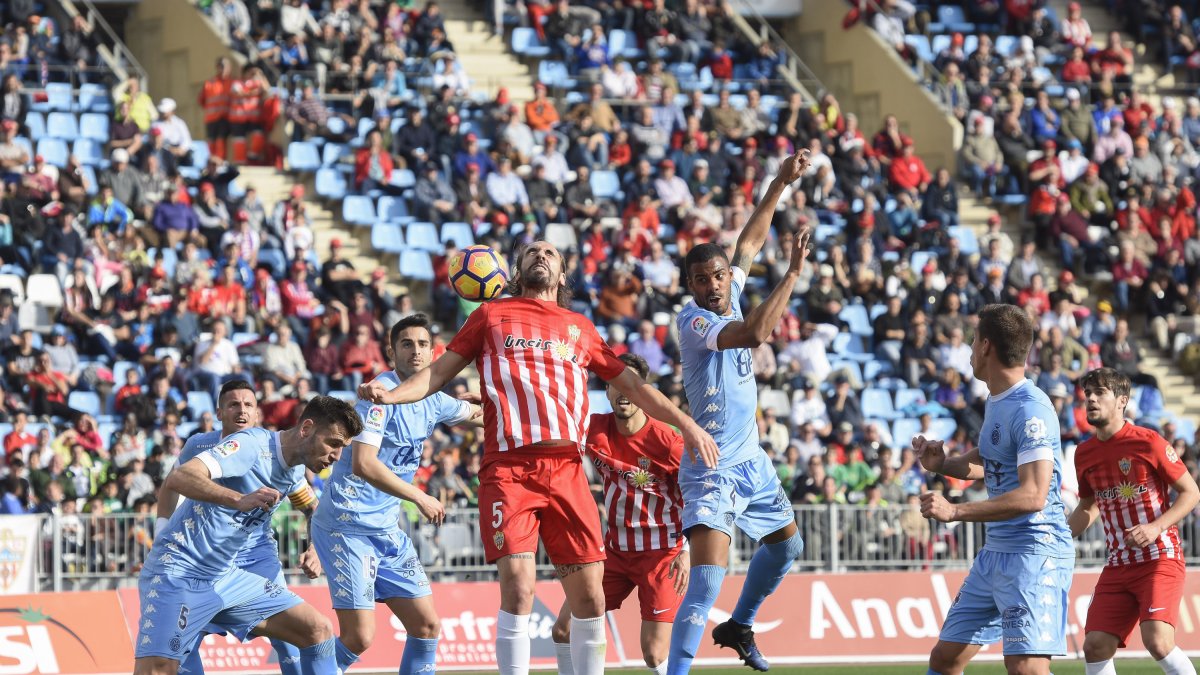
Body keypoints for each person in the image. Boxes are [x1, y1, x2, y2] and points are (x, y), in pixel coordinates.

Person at [359, 239, 719, 675]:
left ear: (563, 274)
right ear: (516, 269)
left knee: (590, 597)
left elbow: (638, 388)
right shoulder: (489, 316)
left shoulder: (580, 327)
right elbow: (435, 374)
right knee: (519, 588)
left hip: (567, 469)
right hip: (509, 469)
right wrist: (391, 394)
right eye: (531, 252)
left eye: (550, 253)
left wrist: (688, 425)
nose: (540, 256)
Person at [667, 150, 813, 674]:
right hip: (710, 467)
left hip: (751, 458)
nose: (713, 286)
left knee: (786, 548)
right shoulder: (695, 323)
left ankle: (741, 624)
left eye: (718, 277)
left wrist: (779, 180)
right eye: (702, 280)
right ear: (690, 286)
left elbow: (749, 241)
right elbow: (753, 334)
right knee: (706, 584)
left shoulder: (729, 291)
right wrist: (793, 274)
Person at [133, 395, 362, 675]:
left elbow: (314, 510)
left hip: (225, 577)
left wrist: (314, 546)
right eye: (334, 443)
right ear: (306, 429)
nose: (337, 456)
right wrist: (237, 499)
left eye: (343, 448)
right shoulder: (250, 445)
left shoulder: (294, 471)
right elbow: (179, 478)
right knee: (157, 670)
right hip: (178, 573)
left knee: (317, 629)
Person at [312, 314, 479, 675]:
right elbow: (364, 464)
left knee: (427, 626)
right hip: (347, 525)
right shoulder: (378, 397)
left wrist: (499, 400)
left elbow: (478, 414)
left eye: (422, 344)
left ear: (434, 352)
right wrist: (418, 497)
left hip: (386, 531)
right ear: (392, 351)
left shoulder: (434, 398)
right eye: (407, 344)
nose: (416, 351)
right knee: (359, 638)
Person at [917, 304, 1076, 675]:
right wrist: (944, 464)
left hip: (1034, 554)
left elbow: (1033, 496)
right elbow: (990, 458)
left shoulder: (1030, 409)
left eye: (972, 340)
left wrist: (955, 511)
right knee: (945, 659)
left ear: (986, 346)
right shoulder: (997, 399)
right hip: (996, 553)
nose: (970, 349)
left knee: (1025, 669)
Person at [155, 380, 321, 675]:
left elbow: (311, 508)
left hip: (257, 556)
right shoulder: (200, 444)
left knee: (290, 638)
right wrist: (161, 533)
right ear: (219, 413)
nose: (241, 411)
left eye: (248, 405)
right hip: (205, 560)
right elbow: (171, 485)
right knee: (184, 641)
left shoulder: (284, 458)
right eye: (233, 404)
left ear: (258, 413)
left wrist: (314, 547)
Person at [552, 353, 689, 675]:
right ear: (608, 389)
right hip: (613, 553)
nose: (623, 391)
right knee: (563, 630)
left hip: (661, 556)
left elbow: (702, 496)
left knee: (654, 654)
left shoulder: (669, 442)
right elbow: (545, 422)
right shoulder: (594, 428)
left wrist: (687, 550)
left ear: (645, 391)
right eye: (616, 383)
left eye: (631, 383)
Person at [1068, 368, 1199, 675]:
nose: (1091, 400)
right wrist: (1057, 536)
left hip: (1159, 558)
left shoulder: (1148, 442)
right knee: (1095, 645)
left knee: (1158, 640)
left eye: (1100, 393)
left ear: (1121, 401)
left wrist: (1155, 527)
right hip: (1118, 564)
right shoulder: (1084, 454)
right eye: (1088, 394)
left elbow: (1191, 492)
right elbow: (1088, 507)